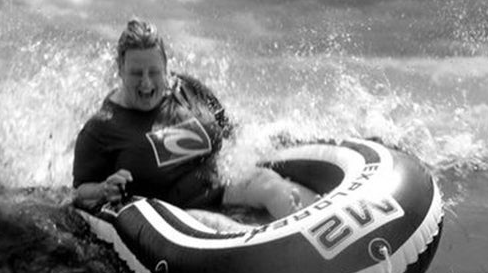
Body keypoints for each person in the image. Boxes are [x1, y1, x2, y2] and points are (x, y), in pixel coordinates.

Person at [72, 19, 316, 217]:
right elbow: (79, 191)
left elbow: (231, 132)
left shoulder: (187, 89)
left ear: (166, 67)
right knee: (220, 226)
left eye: (154, 72)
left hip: (223, 187)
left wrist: (270, 142)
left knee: (273, 187)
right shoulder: (102, 127)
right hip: (180, 215)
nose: (146, 83)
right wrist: (105, 189)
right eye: (136, 73)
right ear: (120, 70)